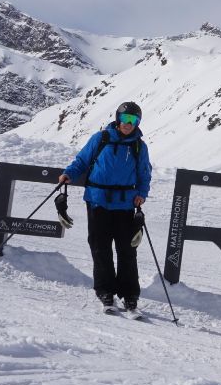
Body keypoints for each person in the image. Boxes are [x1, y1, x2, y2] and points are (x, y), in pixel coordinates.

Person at [59, 101, 152, 313]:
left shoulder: (139, 146)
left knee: (127, 250)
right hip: (97, 199)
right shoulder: (100, 138)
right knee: (100, 247)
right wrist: (68, 174)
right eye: (125, 119)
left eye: (133, 120)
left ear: (138, 123)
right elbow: (82, 161)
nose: (129, 123)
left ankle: (129, 295)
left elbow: (144, 174)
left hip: (125, 203)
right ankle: (105, 291)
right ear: (118, 118)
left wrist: (141, 194)